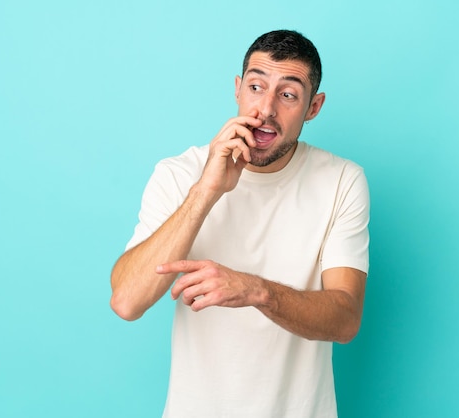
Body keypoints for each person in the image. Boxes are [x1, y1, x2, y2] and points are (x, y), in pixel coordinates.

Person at [110, 29, 369, 418]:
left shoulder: (341, 180)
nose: (265, 109)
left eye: (287, 94)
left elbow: (346, 319)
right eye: (255, 86)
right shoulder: (179, 174)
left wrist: (256, 290)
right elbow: (127, 301)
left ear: (313, 107)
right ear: (237, 89)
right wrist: (206, 191)